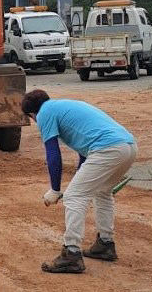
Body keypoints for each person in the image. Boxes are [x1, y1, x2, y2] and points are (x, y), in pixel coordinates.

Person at [21, 89, 137, 273]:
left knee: (74, 197)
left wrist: (55, 189)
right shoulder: (63, 106)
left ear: (32, 114)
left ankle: (71, 254)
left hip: (108, 149)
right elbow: (84, 154)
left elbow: (53, 154)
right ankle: (105, 244)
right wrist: (78, 179)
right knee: (102, 192)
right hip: (128, 146)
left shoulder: (44, 113)